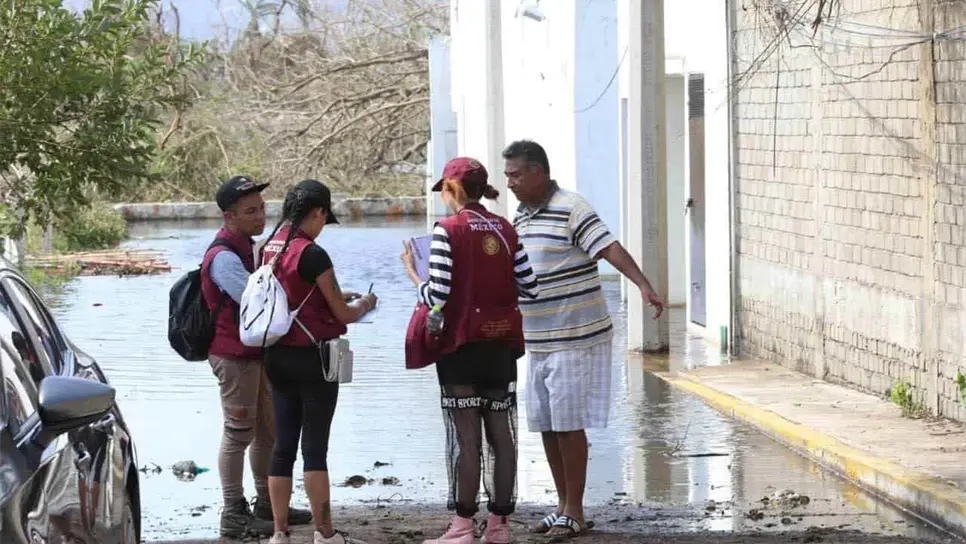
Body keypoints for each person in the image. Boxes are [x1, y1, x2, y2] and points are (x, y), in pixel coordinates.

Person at [503, 140, 666, 538]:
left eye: (516, 175)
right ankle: (562, 506)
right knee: (546, 424)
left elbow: (608, 247)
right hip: (538, 338)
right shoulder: (521, 217)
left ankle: (575, 510)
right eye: (507, 176)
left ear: (538, 172)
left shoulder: (572, 206)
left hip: (576, 335)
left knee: (568, 424)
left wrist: (643, 285)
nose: (510, 183)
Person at [401, 157, 539, 544]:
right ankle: (499, 526)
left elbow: (438, 295)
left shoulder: (447, 230)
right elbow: (530, 287)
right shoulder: (506, 228)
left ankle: (462, 526)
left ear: (452, 190)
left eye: (444, 190)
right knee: (501, 432)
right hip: (500, 346)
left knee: (466, 437)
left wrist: (414, 274)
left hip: (461, 347)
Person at [259, 179, 377, 544]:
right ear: (318, 212)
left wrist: (339, 296)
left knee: (282, 447)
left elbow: (294, 293)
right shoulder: (313, 253)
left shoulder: (271, 245)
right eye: (325, 218)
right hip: (314, 358)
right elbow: (342, 313)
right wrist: (365, 304)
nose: (324, 226)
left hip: (276, 355)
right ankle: (324, 533)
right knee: (314, 447)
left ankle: (279, 533)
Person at [200, 175, 312, 538]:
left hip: (257, 354)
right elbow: (257, 303)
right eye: (250, 211)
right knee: (237, 434)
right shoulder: (223, 258)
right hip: (233, 357)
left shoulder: (248, 247)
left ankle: (268, 504)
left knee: (269, 430)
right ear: (228, 217)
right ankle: (233, 513)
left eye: (262, 208)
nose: (260, 216)